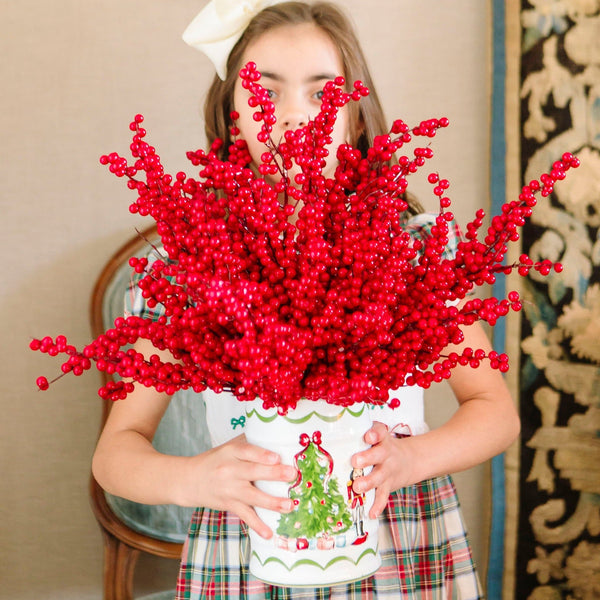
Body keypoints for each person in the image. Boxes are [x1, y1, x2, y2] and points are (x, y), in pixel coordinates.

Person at [92, 2, 520, 598]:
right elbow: (115, 455)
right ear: (230, 110)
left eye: (323, 93)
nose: (294, 116)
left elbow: (494, 411)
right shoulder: (192, 265)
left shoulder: (409, 250)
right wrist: (194, 479)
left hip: (403, 539)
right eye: (264, 92)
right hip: (244, 544)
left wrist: (413, 460)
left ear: (355, 114)